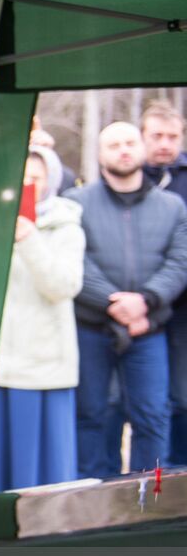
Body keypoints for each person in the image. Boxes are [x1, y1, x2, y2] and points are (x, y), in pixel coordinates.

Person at [67, 121, 187, 478]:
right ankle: (90, 496)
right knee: (91, 414)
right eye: (113, 144)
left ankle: (148, 501)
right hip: (92, 327)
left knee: (152, 416)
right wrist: (111, 302)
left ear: (140, 148)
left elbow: (180, 260)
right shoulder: (75, 204)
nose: (123, 150)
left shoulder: (172, 207)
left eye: (129, 142)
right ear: (101, 154)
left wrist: (146, 302)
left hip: (147, 329)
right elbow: (76, 259)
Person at [0, 146, 84, 491]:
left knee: (42, 476)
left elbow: (63, 285)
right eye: (20, 179)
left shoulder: (66, 226)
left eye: (35, 179)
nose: (28, 185)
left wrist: (29, 239)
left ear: (50, 182)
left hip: (44, 368)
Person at [140, 103, 187, 462]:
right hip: (140, 308)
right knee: (143, 403)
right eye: (156, 135)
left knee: (182, 397)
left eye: (172, 136)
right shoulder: (128, 179)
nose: (164, 144)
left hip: (181, 307)